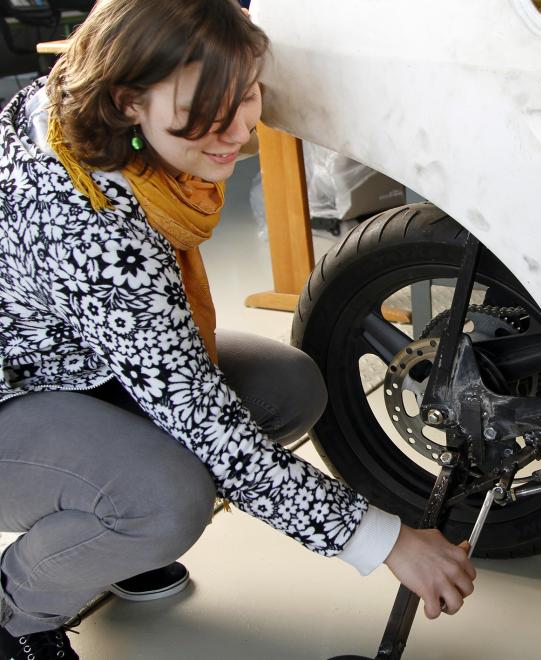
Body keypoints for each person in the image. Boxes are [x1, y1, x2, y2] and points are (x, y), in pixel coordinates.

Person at [0, 1, 475, 657]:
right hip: (14, 392)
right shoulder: (88, 217)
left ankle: (106, 544)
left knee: (284, 388)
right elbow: (201, 419)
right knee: (167, 500)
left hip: (69, 357)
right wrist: (385, 540)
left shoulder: (93, 107)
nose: (233, 131)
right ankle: (18, 608)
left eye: (246, 94)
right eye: (202, 113)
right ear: (128, 99)